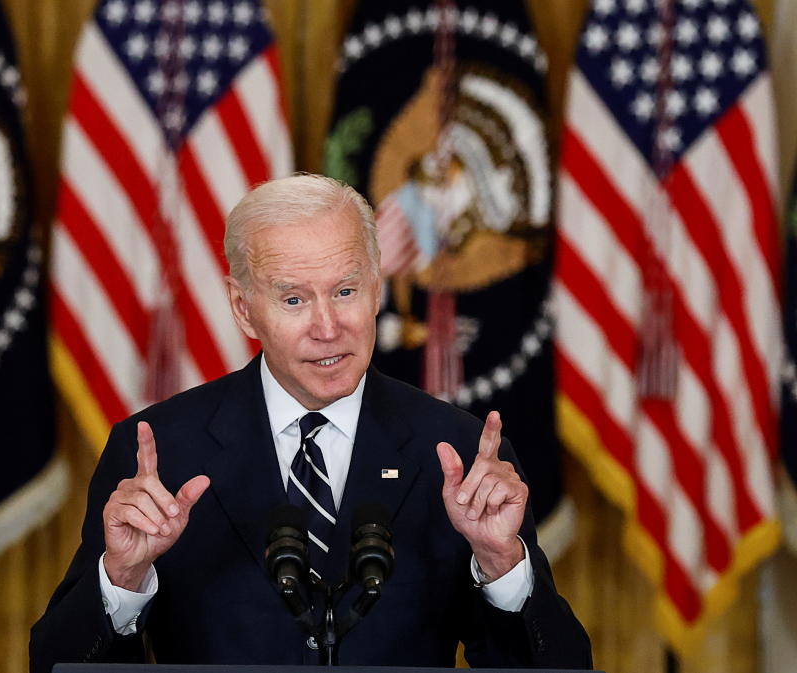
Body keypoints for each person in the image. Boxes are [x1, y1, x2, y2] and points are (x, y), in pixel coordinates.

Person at [30, 174, 591, 671]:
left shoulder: (459, 453)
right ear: (243, 307)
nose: (329, 327)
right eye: (295, 300)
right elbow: (57, 664)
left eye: (345, 292)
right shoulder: (160, 452)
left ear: (376, 288)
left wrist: (501, 564)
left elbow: (560, 668)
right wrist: (122, 579)